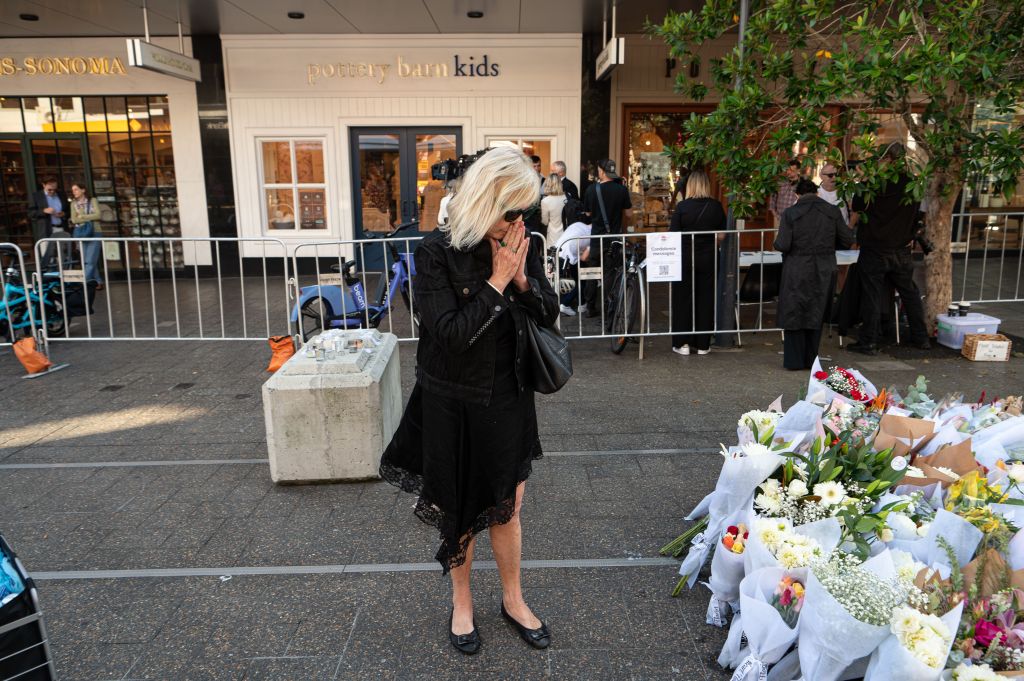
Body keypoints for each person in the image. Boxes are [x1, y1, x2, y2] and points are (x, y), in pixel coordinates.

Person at [379, 146, 559, 656]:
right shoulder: (435, 252)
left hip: (508, 397)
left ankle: (513, 599)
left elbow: (549, 312)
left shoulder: (523, 242)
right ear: (486, 199)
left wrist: (523, 280)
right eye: (512, 210)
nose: (519, 221)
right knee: (459, 509)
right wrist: (498, 281)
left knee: (507, 507)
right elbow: (452, 336)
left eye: (525, 211)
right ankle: (463, 603)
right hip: (450, 401)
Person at [847, 143, 931, 354]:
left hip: (875, 248)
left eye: (880, 159)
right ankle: (920, 338)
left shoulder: (874, 184)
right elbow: (918, 214)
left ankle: (869, 341)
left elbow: (857, 205)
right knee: (909, 293)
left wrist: (864, 181)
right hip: (901, 248)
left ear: (888, 160)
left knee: (872, 295)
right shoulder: (912, 184)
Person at [775, 179, 854, 370]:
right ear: (817, 193)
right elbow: (847, 239)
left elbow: (783, 244)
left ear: (797, 195)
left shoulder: (791, 213)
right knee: (816, 311)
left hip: (797, 266)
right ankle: (811, 360)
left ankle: (794, 361)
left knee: (795, 312)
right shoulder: (832, 211)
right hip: (824, 267)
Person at [669, 169, 726, 355]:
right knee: (706, 298)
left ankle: (682, 343)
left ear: (690, 185)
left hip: (685, 257)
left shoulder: (682, 207)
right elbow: (722, 236)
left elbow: (674, 235)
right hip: (708, 256)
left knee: (682, 298)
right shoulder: (716, 206)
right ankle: (703, 344)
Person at [580, 159, 633, 316]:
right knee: (610, 273)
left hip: (597, 238)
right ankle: (608, 308)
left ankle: (590, 307)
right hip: (614, 239)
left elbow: (588, 213)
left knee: (592, 272)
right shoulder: (621, 190)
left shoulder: (591, 190)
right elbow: (629, 214)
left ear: (601, 171)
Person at [555, 206, 592, 316]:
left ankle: (581, 304)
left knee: (567, 280)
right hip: (568, 258)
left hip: (557, 251)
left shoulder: (578, 225)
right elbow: (584, 258)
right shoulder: (593, 236)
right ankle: (565, 304)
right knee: (579, 282)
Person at [27, 176, 69, 269]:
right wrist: (44, 211)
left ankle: (62, 279)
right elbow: (30, 213)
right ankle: (49, 279)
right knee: (47, 257)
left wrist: (64, 214)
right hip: (46, 230)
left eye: (54, 189)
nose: (52, 192)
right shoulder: (36, 196)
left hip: (61, 228)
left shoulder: (61, 195)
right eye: (49, 190)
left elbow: (68, 210)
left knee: (62, 256)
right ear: (43, 185)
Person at [69, 182, 103, 288]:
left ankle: (83, 282)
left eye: (76, 189)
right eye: (73, 190)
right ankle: (98, 281)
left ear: (83, 190)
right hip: (81, 233)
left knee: (90, 260)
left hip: (95, 232)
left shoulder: (92, 201)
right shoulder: (73, 203)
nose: (74, 192)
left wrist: (82, 216)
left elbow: (98, 215)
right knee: (86, 260)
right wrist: (89, 216)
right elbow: (74, 220)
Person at [768, 159, 801, 228]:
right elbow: (772, 200)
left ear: (798, 171)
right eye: (787, 169)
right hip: (779, 219)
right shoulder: (779, 182)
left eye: (792, 170)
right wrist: (775, 215)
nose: (788, 172)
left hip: (797, 221)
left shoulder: (803, 184)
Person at [540, 174, 567, 245]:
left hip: (553, 235)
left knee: (552, 254)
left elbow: (544, 221)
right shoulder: (567, 198)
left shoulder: (545, 201)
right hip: (566, 234)